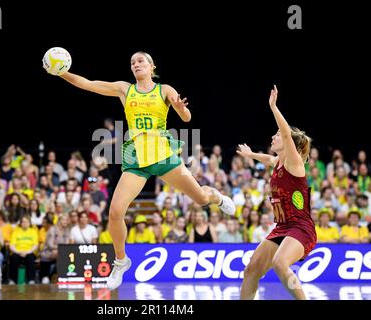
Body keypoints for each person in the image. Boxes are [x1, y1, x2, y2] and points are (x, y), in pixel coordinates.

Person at [51, 51, 236, 289]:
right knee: (116, 211)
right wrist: (61, 72)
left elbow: (187, 118)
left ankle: (218, 197)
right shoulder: (124, 89)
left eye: (140, 61)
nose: (136, 64)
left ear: (151, 66)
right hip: (136, 158)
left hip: (163, 154)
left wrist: (180, 108)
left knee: (201, 198)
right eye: (132, 62)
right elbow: (86, 83)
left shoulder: (165, 89)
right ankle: (121, 260)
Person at [236, 85, 316, 300]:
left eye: (277, 134)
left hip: (301, 228)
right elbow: (269, 159)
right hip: (282, 227)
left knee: (280, 263)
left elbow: (288, 135)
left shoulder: (294, 163)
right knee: (251, 270)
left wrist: (273, 106)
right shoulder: (279, 162)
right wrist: (250, 154)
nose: (274, 136)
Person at [9, 215, 39, 284]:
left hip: (29, 252)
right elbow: (11, 245)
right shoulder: (16, 231)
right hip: (17, 251)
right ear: (20, 223)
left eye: (26, 222)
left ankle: (31, 279)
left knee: (31, 257)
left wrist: (28, 252)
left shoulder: (33, 231)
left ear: (29, 223)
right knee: (14, 257)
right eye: (23, 222)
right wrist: (18, 252)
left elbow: (35, 245)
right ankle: (12, 280)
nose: (25, 223)